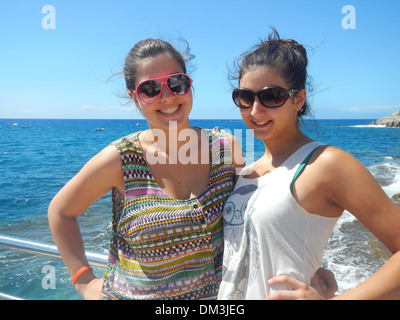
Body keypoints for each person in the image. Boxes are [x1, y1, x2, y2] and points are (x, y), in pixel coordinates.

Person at [48, 37, 335, 300]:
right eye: (150, 89)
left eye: (176, 83)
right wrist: (84, 280)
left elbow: (255, 216)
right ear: (135, 98)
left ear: (189, 85)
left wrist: (304, 264)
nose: (168, 97)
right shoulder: (121, 159)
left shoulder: (225, 148)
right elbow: (61, 212)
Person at [218, 29, 400, 300]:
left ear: (298, 99)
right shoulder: (247, 173)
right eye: (246, 97)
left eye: (271, 96)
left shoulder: (326, 164)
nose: (256, 111)